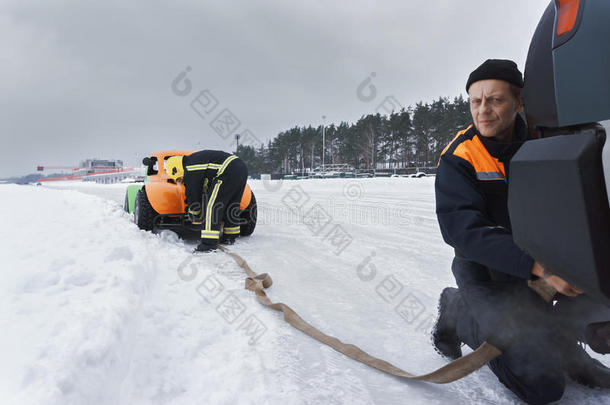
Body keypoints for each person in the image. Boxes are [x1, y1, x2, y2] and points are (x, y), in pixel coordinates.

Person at [432, 59, 610, 404]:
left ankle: (560, 341)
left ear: (519, 103)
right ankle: (459, 309)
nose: (483, 111)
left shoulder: (547, 141)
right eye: (475, 101)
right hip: (488, 276)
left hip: (549, 265)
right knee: (541, 387)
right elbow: (463, 232)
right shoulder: (460, 156)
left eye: (495, 100)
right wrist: (539, 268)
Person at [165, 150, 248, 252]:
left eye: (179, 179)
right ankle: (230, 236)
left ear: (176, 169)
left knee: (212, 206)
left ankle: (208, 244)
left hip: (227, 169)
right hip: (240, 167)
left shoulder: (190, 168)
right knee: (231, 204)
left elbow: (193, 194)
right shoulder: (194, 161)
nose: (182, 182)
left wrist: (194, 214)